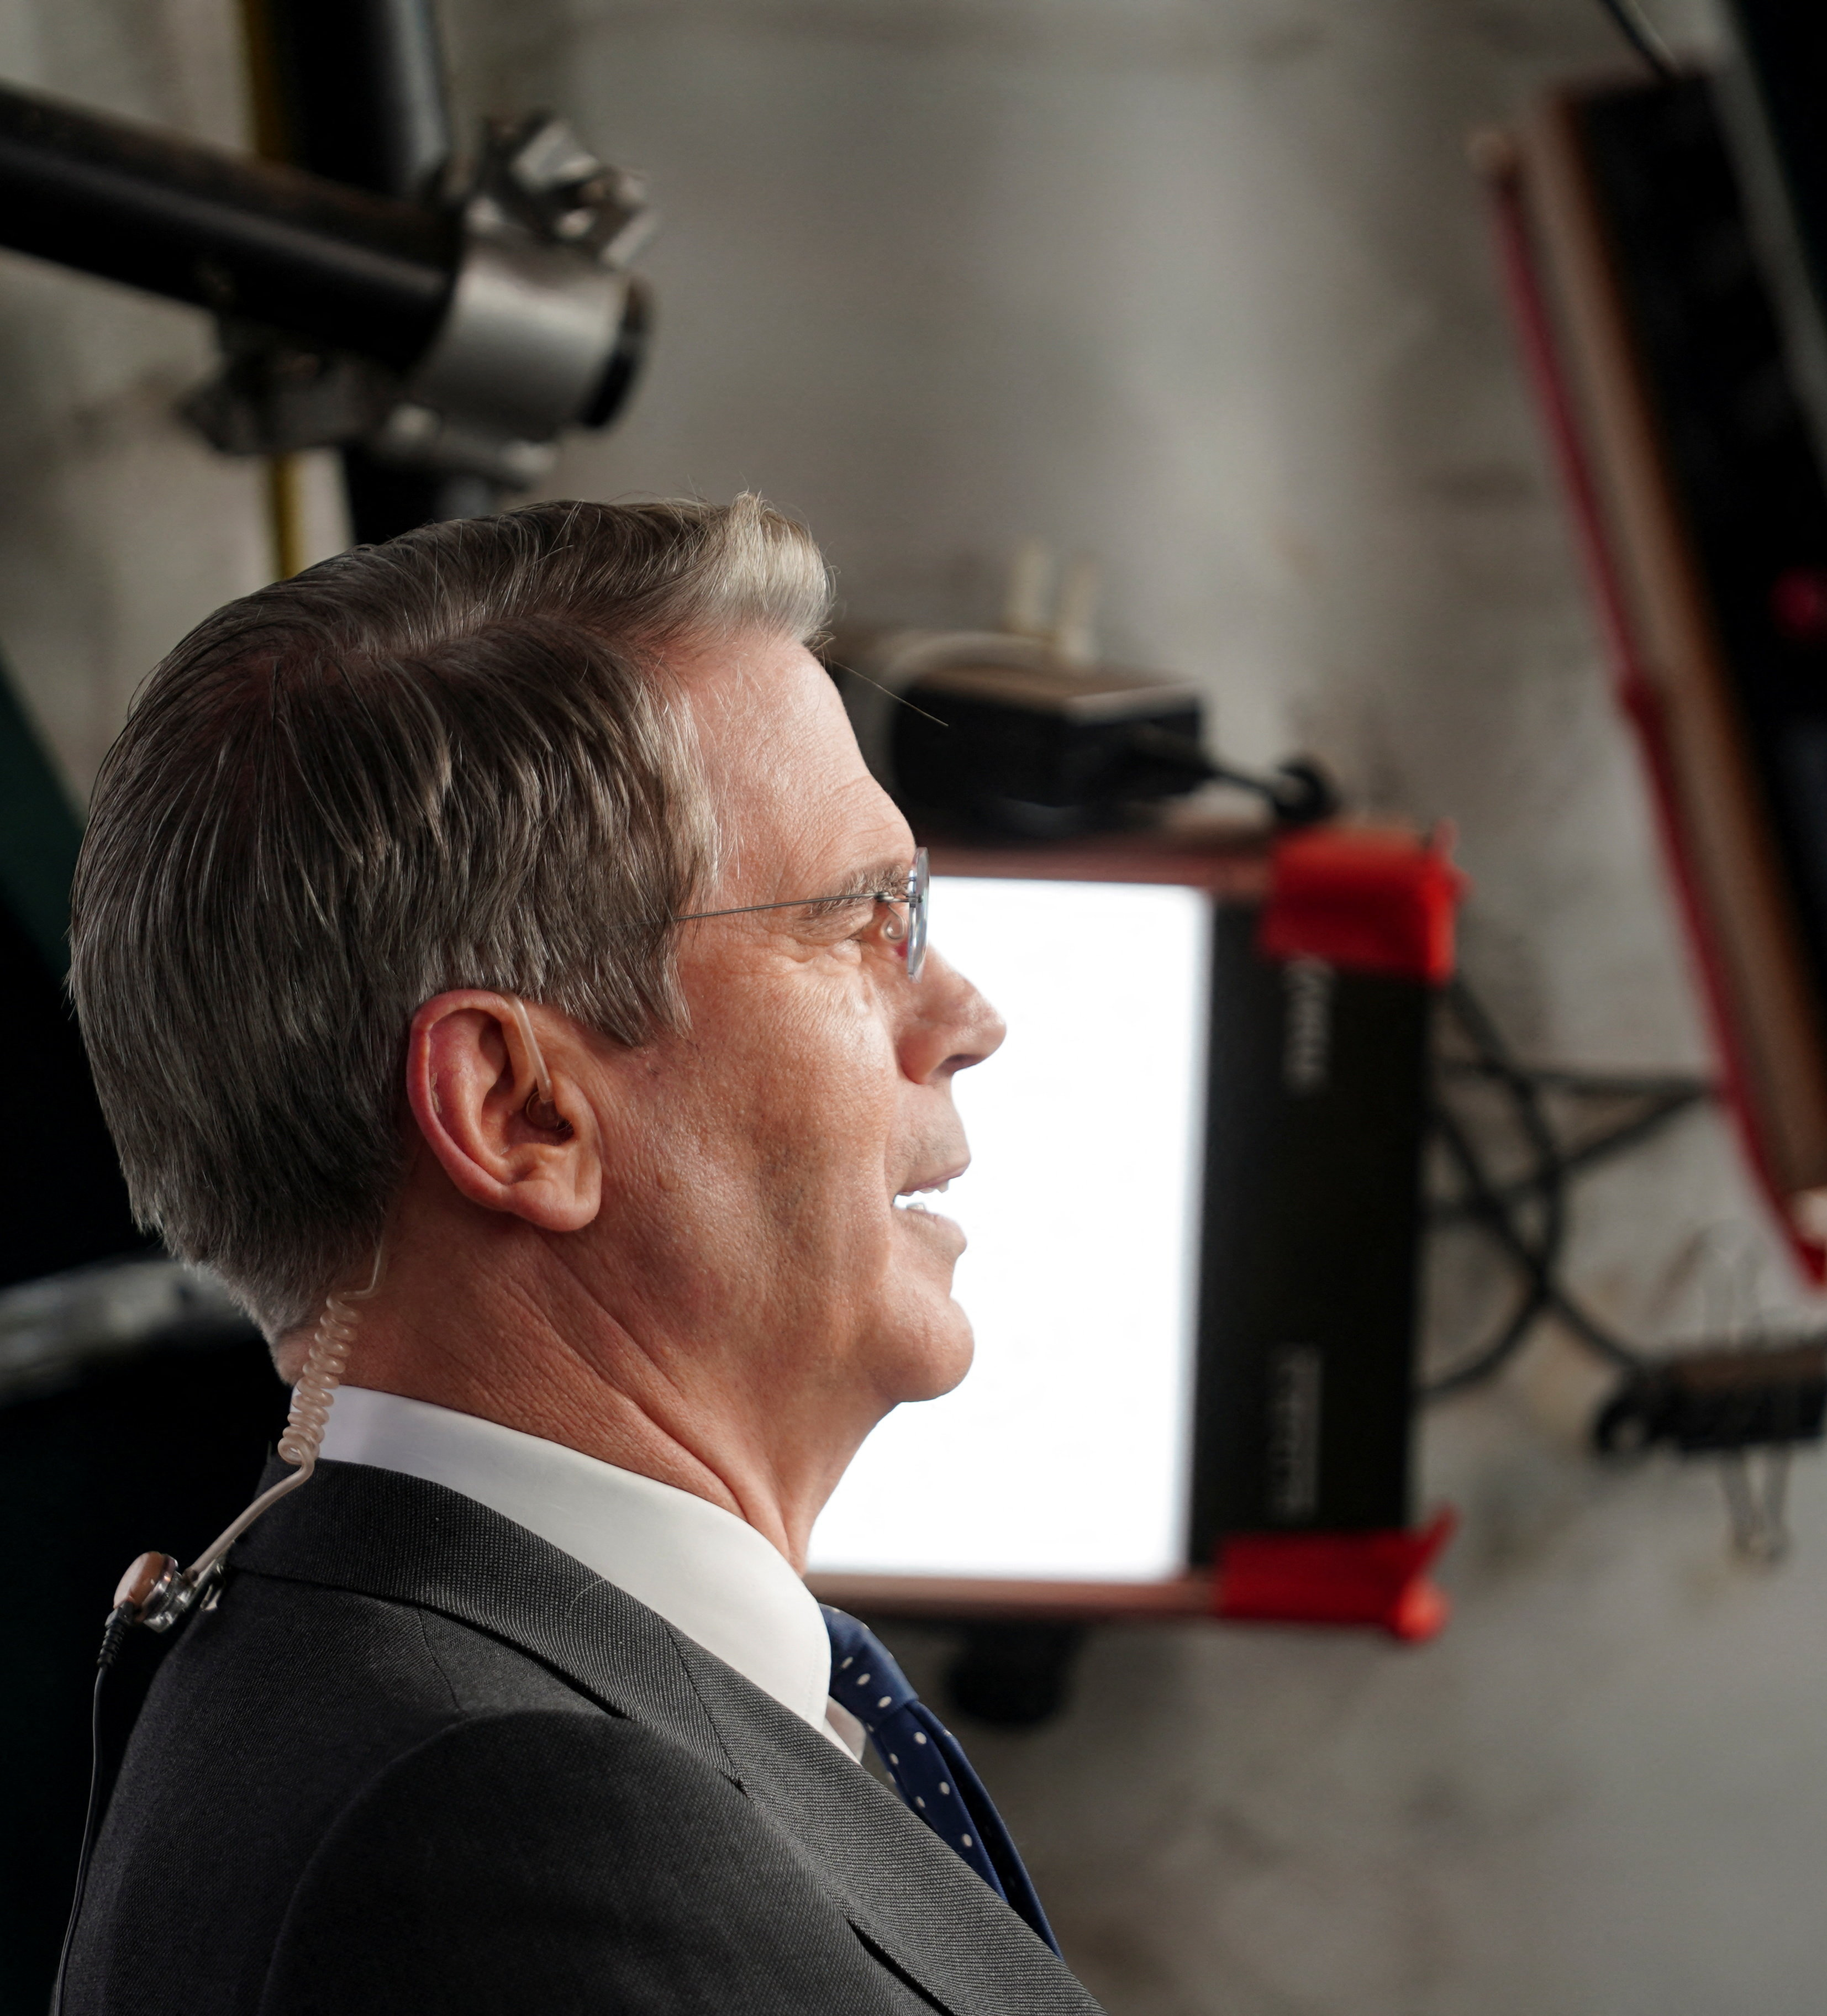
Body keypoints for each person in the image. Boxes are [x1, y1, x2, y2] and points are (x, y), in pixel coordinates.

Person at [57, 496, 1098, 2014]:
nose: (966, 1015)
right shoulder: (516, 1824)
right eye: (866, 919)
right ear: (521, 1108)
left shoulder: (388, 1675)